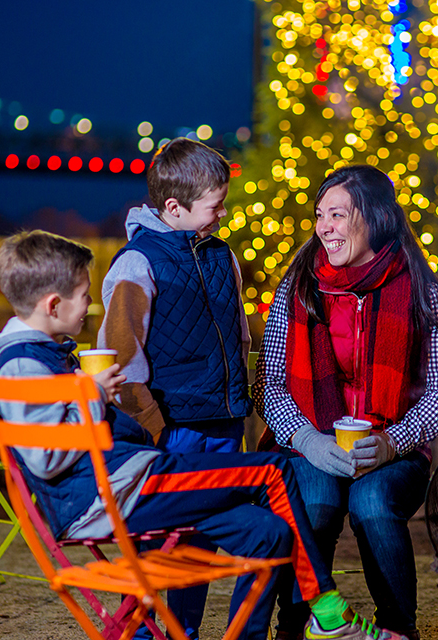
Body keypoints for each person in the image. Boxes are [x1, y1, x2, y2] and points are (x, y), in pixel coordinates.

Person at [0, 230, 405, 640]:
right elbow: (46, 458)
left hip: (125, 482)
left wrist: (91, 396)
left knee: (269, 533)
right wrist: (91, 397)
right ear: (53, 303)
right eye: (83, 295)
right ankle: (327, 610)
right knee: (273, 470)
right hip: (110, 493)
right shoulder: (23, 365)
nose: (90, 304)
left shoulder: (41, 355)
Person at [253, 165, 438, 640]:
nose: (324, 227)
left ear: (377, 218)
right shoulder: (298, 287)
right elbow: (270, 384)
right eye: (320, 215)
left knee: (372, 502)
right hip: (308, 443)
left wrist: (392, 443)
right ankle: (294, 627)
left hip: (391, 448)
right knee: (319, 501)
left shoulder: (423, 290)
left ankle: (397, 629)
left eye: (339, 215)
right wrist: (305, 437)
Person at [97, 137, 252, 638]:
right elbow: (120, 356)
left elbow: (240, 333)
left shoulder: (222, 256)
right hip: (173, 427)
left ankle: (184, 632)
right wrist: (154, 426)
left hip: (223, 423)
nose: (223, 213)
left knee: (199, 546)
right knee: (151, 541)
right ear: (173, 207)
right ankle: (139, 631)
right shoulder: (136, 263)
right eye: (215, 205)